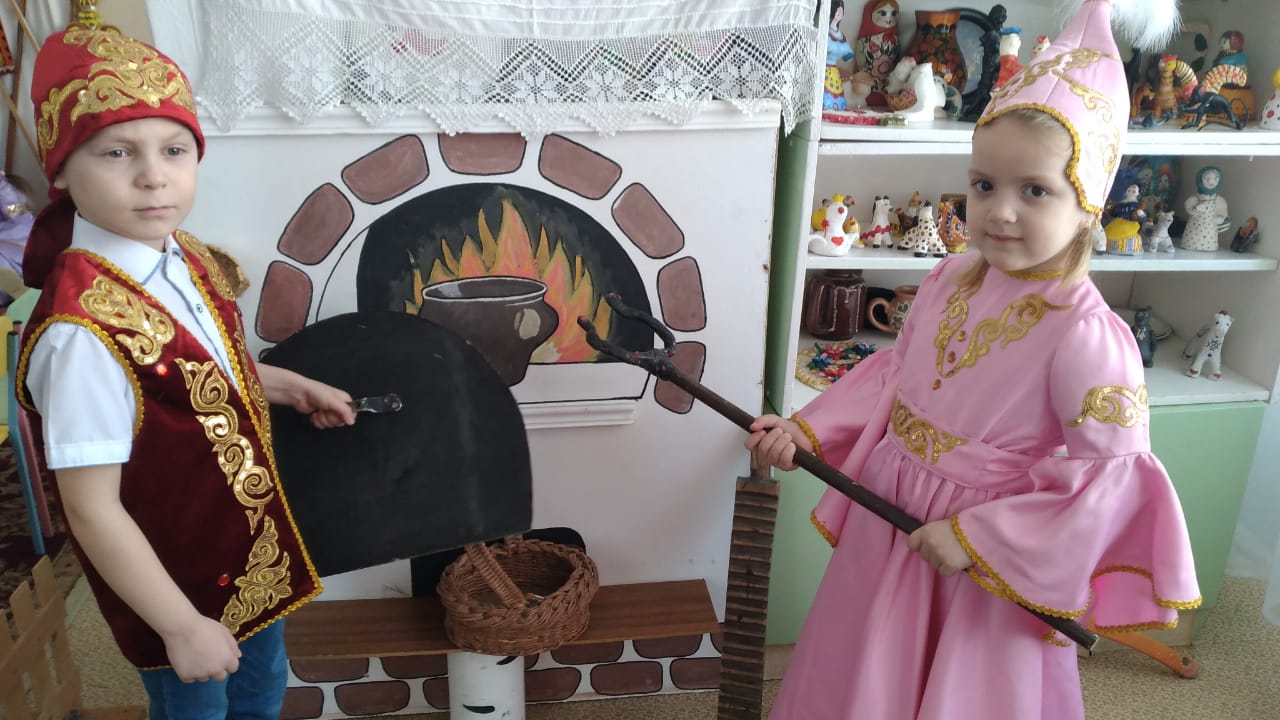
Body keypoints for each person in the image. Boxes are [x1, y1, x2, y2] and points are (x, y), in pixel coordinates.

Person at [748, 2, 1199, 718]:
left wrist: (981, 539)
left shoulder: (1086, 335)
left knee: (965, 686)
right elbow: (895, 378)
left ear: (1088, 203)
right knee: (865, 659)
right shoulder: (950, 277)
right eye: (985, 184)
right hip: (893, 520)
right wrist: (809, 431)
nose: (1000, 211)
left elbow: (1103, 483)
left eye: (1035, 191)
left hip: (983, 557)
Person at [15, 24, 357, 719]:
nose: (153, 175)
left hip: (246, 556)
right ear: (62, 171)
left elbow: (200, 365)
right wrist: (179, 626)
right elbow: (91, 506)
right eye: (117, 152)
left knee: (261, 694)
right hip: (174, 586)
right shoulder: (82, 336)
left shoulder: (185, 256)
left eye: (173, 150)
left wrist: (287, 386)